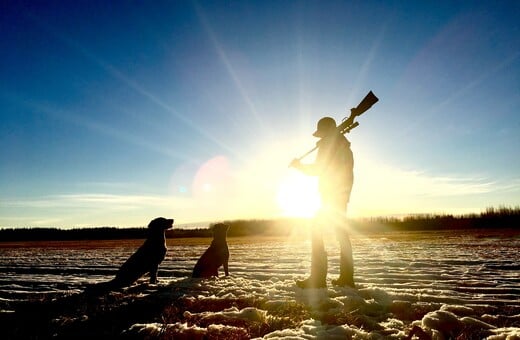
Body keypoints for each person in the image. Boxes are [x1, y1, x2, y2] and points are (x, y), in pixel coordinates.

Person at [290, 116, 355, 288]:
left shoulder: (331, 146)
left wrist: (300, 166)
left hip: (331, 197)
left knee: (316, 230)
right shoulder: (341, 145)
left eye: (322, 134)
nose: (320, 138)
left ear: (326, 132)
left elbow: (319, 169)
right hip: (339, 197)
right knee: (342, 236)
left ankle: (318, 279)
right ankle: (347, 279)